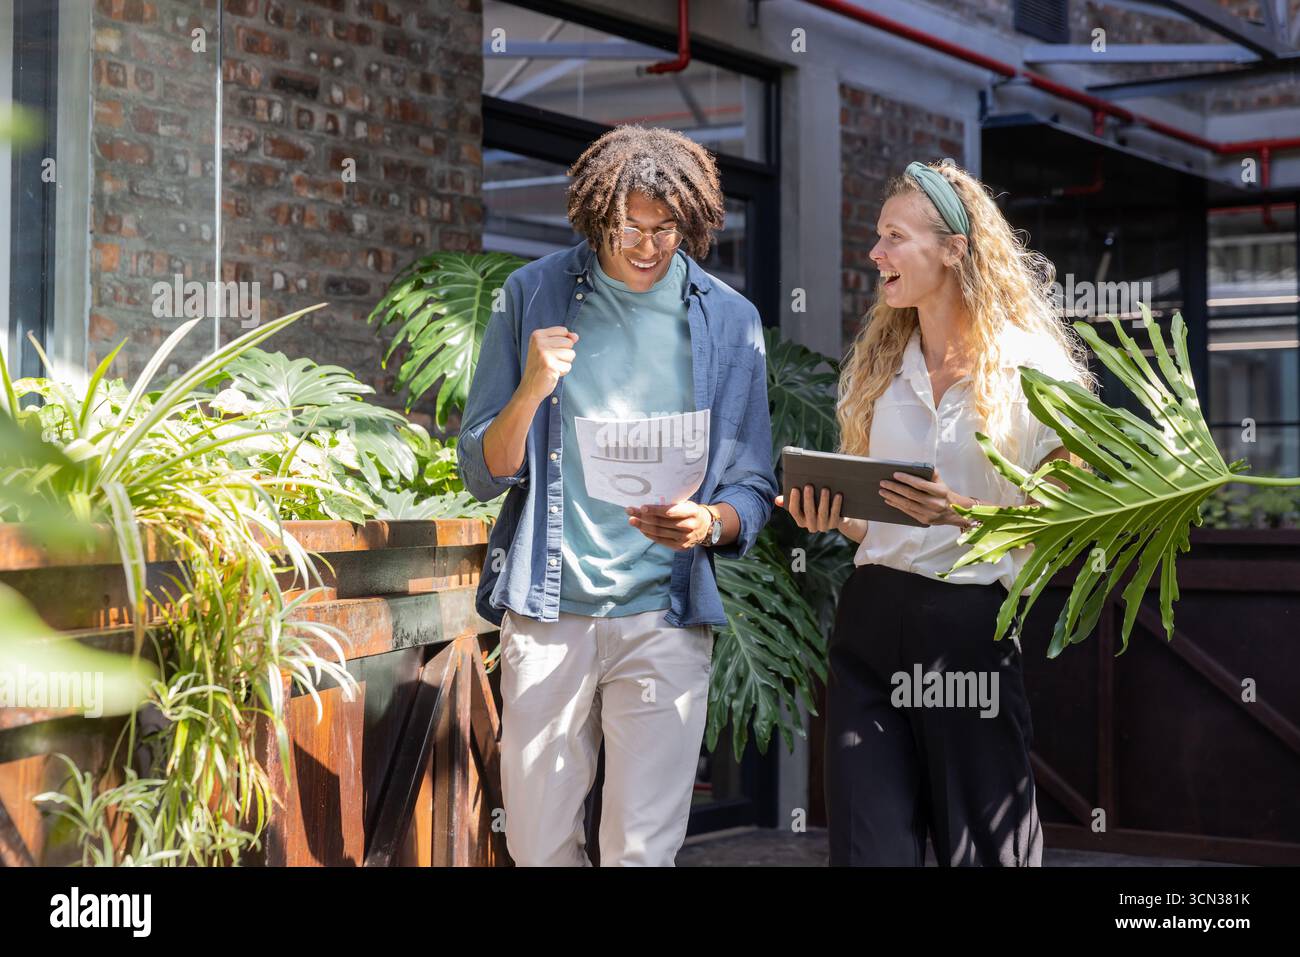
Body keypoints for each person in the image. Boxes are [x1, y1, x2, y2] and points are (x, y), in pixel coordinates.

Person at [458, 125, 777, 867]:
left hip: (664, 616)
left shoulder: (729, 321)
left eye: (666, 230)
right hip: (548, 614)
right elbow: (483, 468)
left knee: (641, 852)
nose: (646, 246)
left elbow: (754, 485)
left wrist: (709, 522)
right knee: (539, 847)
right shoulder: (530, 294)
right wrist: (534, 387)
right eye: (627, 227)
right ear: (594, 213)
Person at [779, 159, 1094, 866]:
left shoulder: (1034, 367)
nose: (876, 253)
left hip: (968, 629)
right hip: (868, 624)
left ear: (953, 248)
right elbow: (877, 522)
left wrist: (966, 515)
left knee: (984, 851)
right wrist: (836, 513)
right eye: (876, 237)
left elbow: (1066, 520)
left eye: (894, 236)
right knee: (870, 849)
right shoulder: (878, 366)